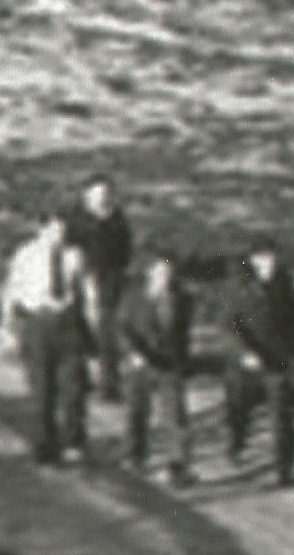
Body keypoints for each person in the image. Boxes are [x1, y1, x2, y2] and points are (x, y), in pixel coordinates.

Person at [1, 216, 92, 465]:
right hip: (38, 323)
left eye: (63, 231)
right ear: (41, 230)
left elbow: (86, 291)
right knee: (42, 388)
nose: (58, 236)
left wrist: (90, 328)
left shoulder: (75, 255)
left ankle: (74, 441)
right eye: (53, 230)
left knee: (73, 386)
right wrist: (7, 328)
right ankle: (45, 443)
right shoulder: (26, 255)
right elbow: (11, 290)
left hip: (68, 323)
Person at [221, 240, 294, 486]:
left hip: (278, 360)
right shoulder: (239, 286)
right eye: (264, 259)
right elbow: (230, 324)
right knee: (239, 407)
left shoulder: (285, 285)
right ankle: (236, 443)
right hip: (245, 362)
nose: (270, 264)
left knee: (282, 415)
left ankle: (285, 468)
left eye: (273, 258)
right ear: (253, 261)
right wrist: (245, 352)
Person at [119, 250, 200, 485]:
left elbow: (183, 333)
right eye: (160, 272)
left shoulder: (182, 298)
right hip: (139, 362)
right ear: (150, 272)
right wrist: (133, 353)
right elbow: (123, 327)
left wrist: (183, 361)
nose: (165, 277)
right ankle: (135, 456)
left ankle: (178, 467)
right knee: (137, 412)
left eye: (169, 272)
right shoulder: (134, 297)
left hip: (169, 364)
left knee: (175, 416)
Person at [69, 177, 136, 408]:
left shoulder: (117, 220)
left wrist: (117, 276)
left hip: (110, 281)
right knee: (77, 331)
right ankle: (81, 380)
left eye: (106, 194)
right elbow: (69, 250)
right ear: (87, 196)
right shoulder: (76, 220)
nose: (103, 199)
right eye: (98, 194)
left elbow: (126, 253)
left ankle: (110, 384)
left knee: (107, 332)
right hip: (79, 279)